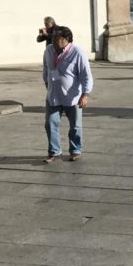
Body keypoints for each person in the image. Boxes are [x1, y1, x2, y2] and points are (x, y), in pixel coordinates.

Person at [41, 26, 92, 163]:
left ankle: (75, 150)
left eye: (56, 37)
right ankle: (54, 152)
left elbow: (86, 75)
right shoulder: (48, 50)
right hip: (53, 95)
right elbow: (46, 68)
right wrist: (47, 83)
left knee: (75, 126)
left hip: (73, 96)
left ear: (66, 39)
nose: (53, 40)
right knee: (50, 123)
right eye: (52, 37)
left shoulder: (78, 52)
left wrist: (85, 95)